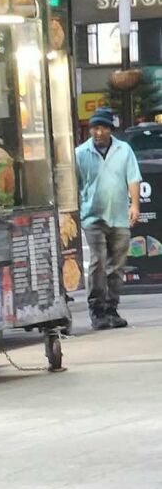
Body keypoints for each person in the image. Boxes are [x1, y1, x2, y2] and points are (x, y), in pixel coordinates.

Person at [75, 107, 141, 330]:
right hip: (92, 216)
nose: (98, 132)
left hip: (119, 215)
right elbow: (73, 183)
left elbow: (133, 178)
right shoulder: (81, 153)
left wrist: (135, 205)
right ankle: (97, 308)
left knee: (117, 264)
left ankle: (112, 307)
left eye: (102, 127)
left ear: (110, 130)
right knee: (98, 261)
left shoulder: (124, 150)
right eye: (95, 127)